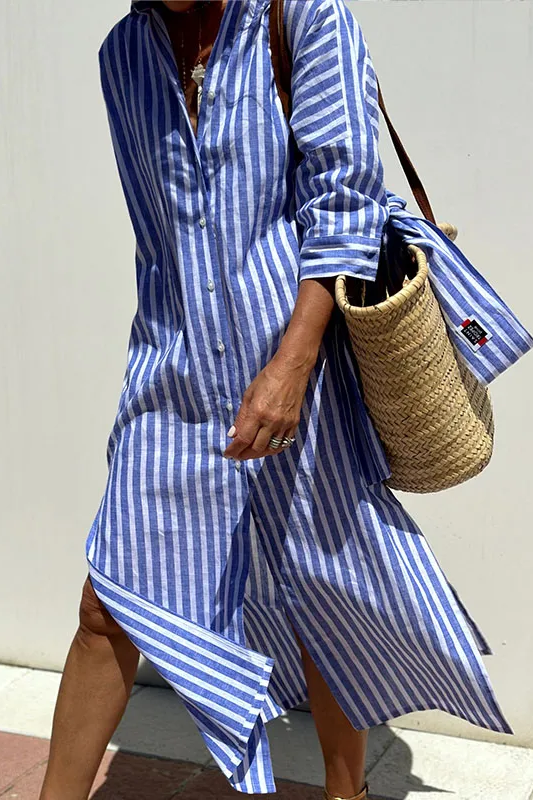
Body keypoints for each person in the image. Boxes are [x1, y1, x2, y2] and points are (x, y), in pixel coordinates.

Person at [39, 1, 513, 798]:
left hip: (305, 364)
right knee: (108, 603)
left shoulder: (304, 18)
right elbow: (157, 240)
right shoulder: (122, 54)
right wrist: (147, 374)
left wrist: (291, 366)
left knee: (323, 591)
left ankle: (344, 791)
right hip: (175, 375)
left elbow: (344, 200)